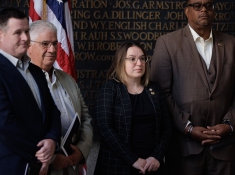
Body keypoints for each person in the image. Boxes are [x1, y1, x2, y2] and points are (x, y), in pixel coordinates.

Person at [150, 0, 235, 174]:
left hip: (225, 148)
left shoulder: (231, 44)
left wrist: (230, 124)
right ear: (187, 11)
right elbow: (161, 93)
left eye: (208, 5)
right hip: (184, 149)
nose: (204, 9)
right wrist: (187, 128)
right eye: (197, 5)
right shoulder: (167, 43)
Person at [0, 8, 61, 175]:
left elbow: (52, 111)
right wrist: (41, 154)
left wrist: (52, 140)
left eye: (27, 31)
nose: (26, 38)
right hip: (9, 167)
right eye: (18, 32)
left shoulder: (36, 71)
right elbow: (3, 124)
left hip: (41, 166)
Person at [94, 41, 171, 175]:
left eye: (142, 58)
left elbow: (167, 127)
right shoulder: (110, 88)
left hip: (151, 166)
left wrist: (157, 156)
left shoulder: (154, 89)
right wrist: (133, 160)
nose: (139, 63)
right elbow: (105, 128)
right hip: (117, 166)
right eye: (132, 59)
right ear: (121, 62)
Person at [27, 20, 93, 175]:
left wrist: (81, 151)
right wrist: (52, 157)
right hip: (42, 168)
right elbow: (21, 129)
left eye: (55, 43)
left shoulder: (67, 79)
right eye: (45, 44)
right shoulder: (22, 82)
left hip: (72, 167)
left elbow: (85, 119)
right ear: (29, 47)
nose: (52, 49)